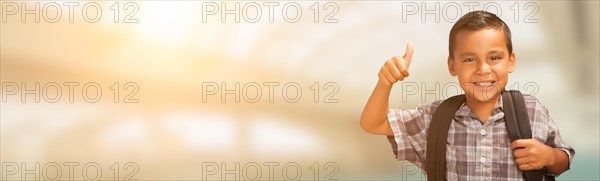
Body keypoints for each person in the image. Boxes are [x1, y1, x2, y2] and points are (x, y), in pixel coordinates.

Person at [359, 11, 574, 180]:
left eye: (494, 57)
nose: (483, 69)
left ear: (511, 61)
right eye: (469, 59)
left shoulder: (530, 110)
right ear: (452, 66)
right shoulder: (434, 119)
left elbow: (563, 158)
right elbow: (374, 124)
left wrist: (550, 156)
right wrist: (385, 82)